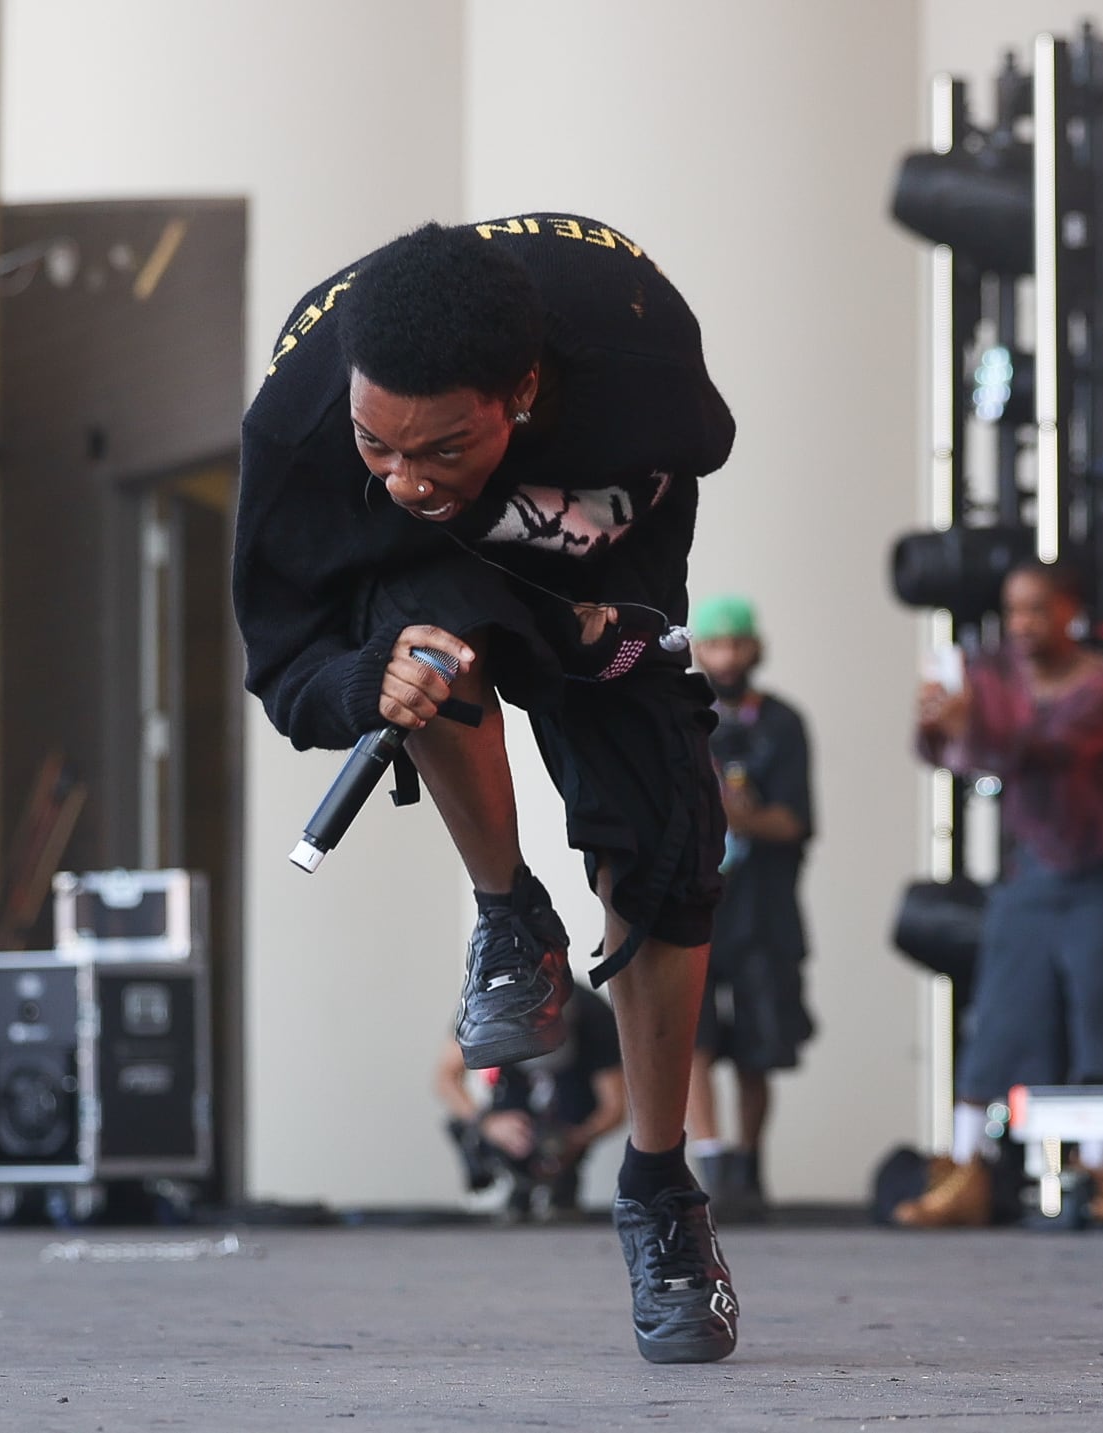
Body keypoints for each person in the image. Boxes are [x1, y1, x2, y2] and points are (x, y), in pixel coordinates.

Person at [233, 215, 740, 1362]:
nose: (405, 477)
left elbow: (680, 475)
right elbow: (284, 664)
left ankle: (660, 1189)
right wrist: (372, 679)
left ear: (520, 390)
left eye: (440, 448)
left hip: (598, 559)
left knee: (666, 851)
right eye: (380, 446)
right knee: (428, 631)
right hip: (423, 594)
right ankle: (510, 914)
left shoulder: (636, 352)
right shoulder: (302, 426)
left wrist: (611, 625)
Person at [903, 560, 1103, 1228]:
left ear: (1068, 611)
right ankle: (963, 1171)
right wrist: (935, 720)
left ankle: (1098, 1173)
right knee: (998, 1019)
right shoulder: (994, 676)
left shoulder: (1098, 686)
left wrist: (971, 725)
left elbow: (1038, 751)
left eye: (1035, 610)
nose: (1020, 624)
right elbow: (948, 753)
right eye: (1012, 610)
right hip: (1033, 875)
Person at [683, 594, 815, 1216]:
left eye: (737, 644)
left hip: (764, 911)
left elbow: (796, 822)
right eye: (714, 645)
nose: (727, 657)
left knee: (761, 1043)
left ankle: (747, 1165)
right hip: (695, 904)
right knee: (691, 1036)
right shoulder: (682, 717)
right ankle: (707, 1161)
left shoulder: (782, 724)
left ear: (755, 648)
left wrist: (743, 816)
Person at [434, 986, 627, 1219]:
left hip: (575, 1091)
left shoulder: (595, 1016)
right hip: (510, 1084)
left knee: (573, 1109)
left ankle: (564, 1180)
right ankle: (518, 1178)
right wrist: (487, 1123)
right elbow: (446, 1079)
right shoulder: (481, 1009)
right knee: (504, 1114)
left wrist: (579, 1137)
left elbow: (614, 1107)